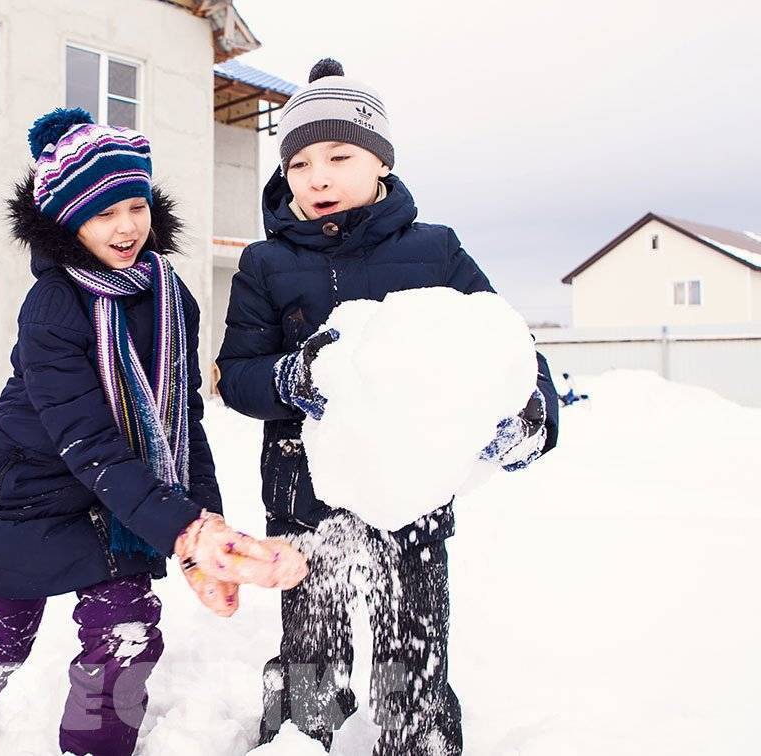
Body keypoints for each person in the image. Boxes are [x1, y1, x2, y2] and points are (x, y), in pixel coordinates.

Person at [0, 108, 307, 756]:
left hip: (120, 501)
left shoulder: (169, 294)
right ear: (67, 220)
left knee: (128, 633)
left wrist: (203, 524)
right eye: (103, 213)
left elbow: (182, 420)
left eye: (135, 204)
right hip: (29, 494)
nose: (127, 226)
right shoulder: (52, 306)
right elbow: (90, 442)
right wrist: (183, 529)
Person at [216, 59, 561, 754]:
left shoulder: (435, 250)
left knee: (415, 649)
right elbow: (237, 376)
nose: (317, 176)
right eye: (300, 163)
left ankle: (419, 736)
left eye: (339, 156)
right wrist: (289, 377)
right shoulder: (265, 264)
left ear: (380, 161)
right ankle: (300, 737)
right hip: (305, 497)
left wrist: (534, 410)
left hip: (414, 492)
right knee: (311, 650)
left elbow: (505, 344)